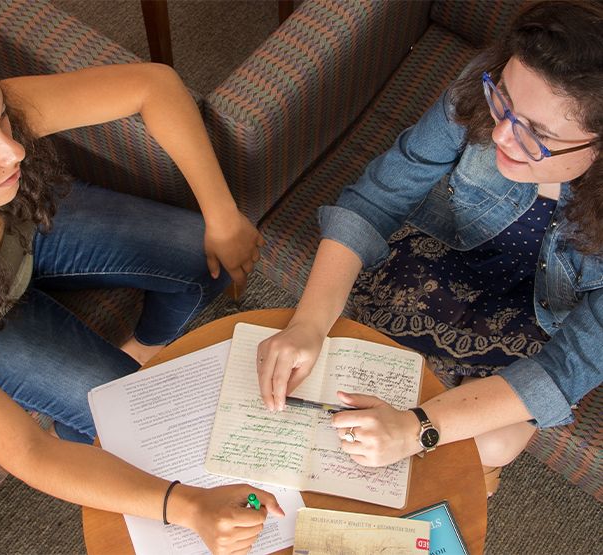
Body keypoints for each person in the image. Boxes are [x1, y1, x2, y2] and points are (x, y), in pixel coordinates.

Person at [0, 24, 282, 554]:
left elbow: (155, 84)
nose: (15, 150)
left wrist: (222, 215)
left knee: (204, 255)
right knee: (126, 413)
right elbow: (28, 452)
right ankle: (94, 411)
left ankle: (146, 347)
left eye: (5, 120)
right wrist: (190, 506)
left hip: (27, 229)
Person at [256, 0, 603, 495]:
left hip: (541, 313)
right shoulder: (481, 90)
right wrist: (308, 322)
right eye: (504, 100)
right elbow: (379, 195)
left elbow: (572, 366)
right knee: (330, 386)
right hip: (439, 255)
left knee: (489, 446)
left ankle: (467, 489)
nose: (502, 133)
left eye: (538, 135)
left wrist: (420, 428)